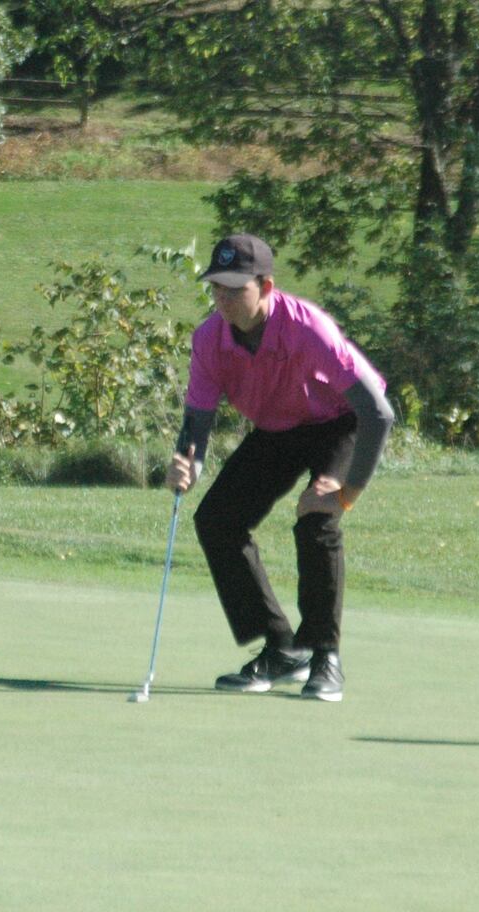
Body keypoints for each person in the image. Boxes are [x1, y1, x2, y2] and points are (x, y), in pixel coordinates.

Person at [165, 234, 394, 703]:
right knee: (216, 520)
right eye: (217, 288)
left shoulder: (308, 329)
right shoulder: (209, 339)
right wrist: (188, 463)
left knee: (316, 516)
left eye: (236, 288)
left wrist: (346, 494)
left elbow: (377, 413)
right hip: (277, 429)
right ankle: (283, 648)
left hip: (336, 423)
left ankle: (323, 653)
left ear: (266, 286)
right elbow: (197, 420)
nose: (224, 298)